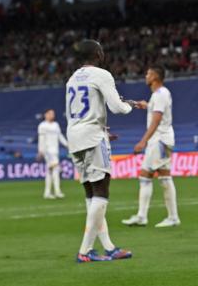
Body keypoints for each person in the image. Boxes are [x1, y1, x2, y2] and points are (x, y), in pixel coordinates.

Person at [66, 39, 133, 262]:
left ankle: (109, 247)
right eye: (101, 49)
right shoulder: (102, 75)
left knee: (90, 193)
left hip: (75, 137)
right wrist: (130, 106)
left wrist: (102, 130)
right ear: (97, 53)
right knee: (102, 191)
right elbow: (116, 107)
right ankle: (84, 252)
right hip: (93, 138)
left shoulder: (72, 78)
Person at [122, 66, 180, 228]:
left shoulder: (160, 94)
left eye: (148, 73)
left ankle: (173, 217)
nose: (146, 75)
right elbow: (157, 111)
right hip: (159, 140)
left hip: (160, 140)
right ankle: (142, 216)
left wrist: (143, 141)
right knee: (145, 175)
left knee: (164, 177)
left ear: (155, 76)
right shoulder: (159, 95)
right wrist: (146, 106)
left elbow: (156, 120)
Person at [37, 109, 68, 199]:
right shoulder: (42, 125)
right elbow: (41, 139)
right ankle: (57, 192)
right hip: (48, 151)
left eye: (53, 114)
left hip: (55, 151)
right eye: (50, 113)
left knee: (50, 171)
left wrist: (67, 144)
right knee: (56, 170)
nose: (52, 115)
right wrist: (41, 151)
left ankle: (47, 193)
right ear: (45, 114)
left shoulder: (56, 125)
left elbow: (60, 136)